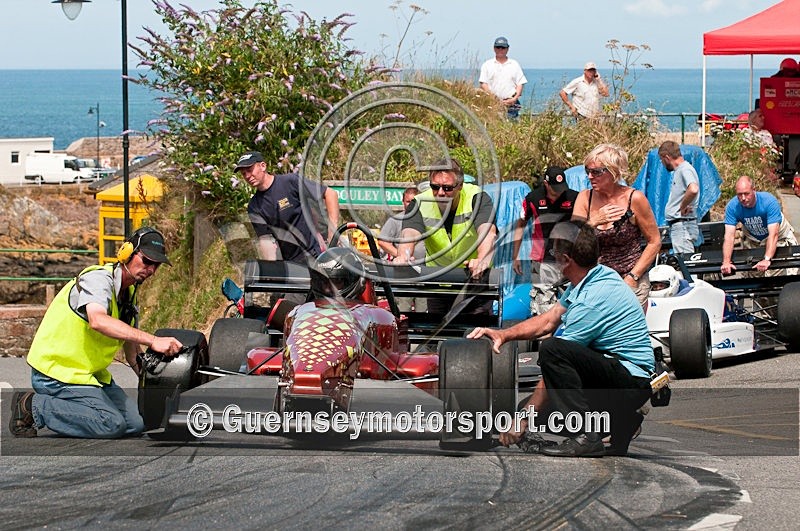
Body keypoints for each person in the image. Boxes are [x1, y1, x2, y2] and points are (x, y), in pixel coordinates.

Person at [469, 220, 655, 457]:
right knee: (536, 410)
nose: (553, 258)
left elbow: (557, 363)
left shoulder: (592, 300)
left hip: (630, 381)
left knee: (552, 350)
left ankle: (586, 435)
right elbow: (549, 319)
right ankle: (622, 420)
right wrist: (503, 335)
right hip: (617, 378)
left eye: (555, 253)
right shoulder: (594, 276)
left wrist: (523, 420)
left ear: (567, 260)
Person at [9, 227, 184, 439]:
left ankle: (79, 408)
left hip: (87, 376)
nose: (151, 270)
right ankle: (31, 404)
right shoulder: (98, 279)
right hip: (57, 373)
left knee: (137, 424)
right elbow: (97, 320)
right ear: (126, 253)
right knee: (111, 424)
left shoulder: (128, 296)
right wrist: (154, 340)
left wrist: (158, 387)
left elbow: (132, 354)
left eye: (156, 265)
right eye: (147, 261)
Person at [395, 158, 497, 314]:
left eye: (448, 188)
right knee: (438, 335)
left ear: (460, 186)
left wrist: (482, 259)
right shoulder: (420, 202)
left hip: (473, 282)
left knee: (473, 335)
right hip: (438, 284)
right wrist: (404, 255)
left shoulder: (477, 198)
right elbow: (409, 232)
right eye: (435, 187)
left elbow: (487, 231)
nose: (441, 193)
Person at [572, 144, 661, 308]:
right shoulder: (585, 198)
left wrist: (633, 276)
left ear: (613, 172)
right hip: (596, 281)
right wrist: (593, 222)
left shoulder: (634, 198)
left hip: (630, 278)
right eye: (587, 171)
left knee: (628, 332)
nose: (590, 176)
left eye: (596, 172)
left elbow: (654, 241)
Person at [236, 150, 340, 264]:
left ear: (263, 166)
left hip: (317, 253)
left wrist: (332, 232)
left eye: (250, 170)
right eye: (243, 173)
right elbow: (265, 241)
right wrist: (271, 268)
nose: (247, 176)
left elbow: (330, 194)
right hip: (292, 264)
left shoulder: (290, 181)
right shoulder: (254, 206)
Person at [512, 166, 578, 315]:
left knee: (574, 307)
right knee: (543, 309)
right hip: (541, 260)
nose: (559, 193)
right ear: (546, 184)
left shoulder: (575, 198)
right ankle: (543, 338)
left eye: (561, 188)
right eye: (555, 189)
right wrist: (515, 256)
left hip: (570, 260)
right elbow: (520, 225)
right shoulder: (533, 199)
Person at [720, 176, 797, 277]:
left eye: (746, 194)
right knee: (753, 272)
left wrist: (767, 259)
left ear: (754, 190)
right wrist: (726, 262)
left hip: (779, 238)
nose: (743, 198)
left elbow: (773, 234)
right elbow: (729, 236)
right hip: (755, 240)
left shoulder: (769, 202)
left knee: (779, 272)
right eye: (739, 194)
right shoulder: (733, 207)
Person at [378, 187, 426, 312]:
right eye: (407, 201)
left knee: (424, 309)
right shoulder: (395, 220)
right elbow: (382, 241)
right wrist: (400, 256)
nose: (410, 204)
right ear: (403, 202)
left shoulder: (427, 220)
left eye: (413, 201)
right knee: (403, 308)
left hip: (424, 271)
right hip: (404, 273)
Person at [658, 141, 700, 255]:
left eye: (661, 160)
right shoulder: (681, 170)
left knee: (686, 265)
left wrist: (683, 206)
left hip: (683, 226)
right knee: (682, 263)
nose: (662, 163)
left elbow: (693, 189)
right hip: (680, 226)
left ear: (666, 157)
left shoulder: (684, 169)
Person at [479, 36, 528, 120]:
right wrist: (493, 98)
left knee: (512, 128)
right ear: (494, 48)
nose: (500, 50)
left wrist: (514, 98)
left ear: (507, 49)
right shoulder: (487, 65)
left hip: (511, 105)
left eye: (503, 47)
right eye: (498, 47)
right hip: (492, 104)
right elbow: (483, 83)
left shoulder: (514, 64)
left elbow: (520, 82)